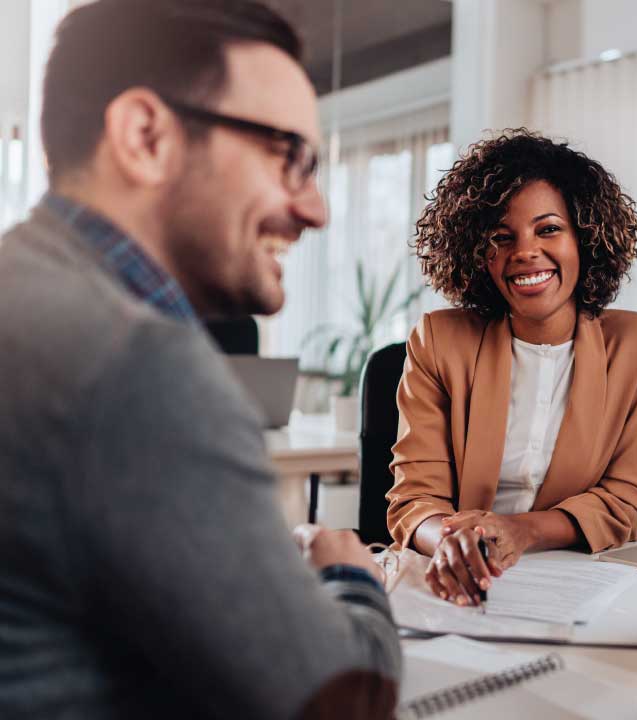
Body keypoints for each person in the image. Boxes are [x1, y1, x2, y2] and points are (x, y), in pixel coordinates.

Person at [0, 1, 400, 718]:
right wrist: (351, 576)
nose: (316, 209)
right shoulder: (133, 364)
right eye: (289, 158)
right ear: (146, 136)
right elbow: (345, 701)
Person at [387, 130, 637, 606]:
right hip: (453, 581)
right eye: (502, 236)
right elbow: (415, 499)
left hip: (574, 583)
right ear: (478, 253)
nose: (524, 252)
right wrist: (453, 544)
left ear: (585, 236)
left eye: (548, 229)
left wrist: (519, 532)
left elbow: (624, 501)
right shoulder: (438, 340)